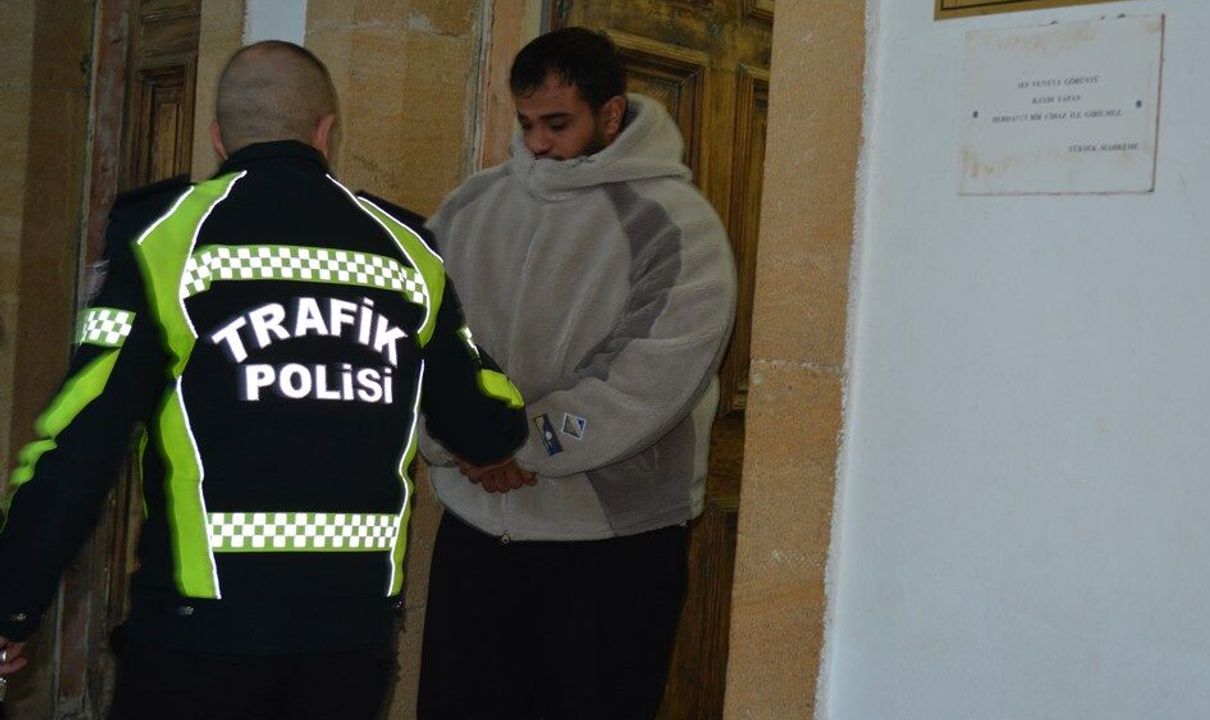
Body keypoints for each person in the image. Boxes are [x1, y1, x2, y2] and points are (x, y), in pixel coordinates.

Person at [0, 40, 527, 720]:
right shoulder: (406, 250)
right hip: (349, 641)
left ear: (219, 138)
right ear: (325, 132)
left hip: (199, 636)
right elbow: (485, 427)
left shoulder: (166, 239)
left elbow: (80, 440)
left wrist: (14, 603)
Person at [415, 27, 737, 720]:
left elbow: (645, 384)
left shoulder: (679, 226)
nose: (536, 143)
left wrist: (509, 442)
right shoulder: (468, 209)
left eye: (557, 124)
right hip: (477, 533)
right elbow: (415, 341)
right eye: (526, 122)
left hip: (612, 544)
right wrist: (458, 438)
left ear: (611, 113)